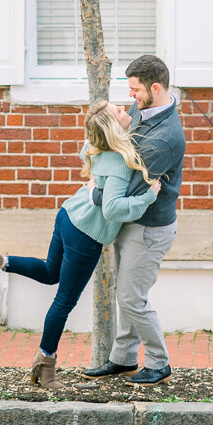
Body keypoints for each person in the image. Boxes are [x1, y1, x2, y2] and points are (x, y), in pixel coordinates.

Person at [0, 100, 160, 391]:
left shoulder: (96, 144)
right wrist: (148, 196)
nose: (123, 108)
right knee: (64, 301)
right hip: (86, 233)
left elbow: (86, 151)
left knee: (50, 272)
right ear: (113, 128)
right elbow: (113, 210)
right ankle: (46, 364)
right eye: (118, 110)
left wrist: (95, 187)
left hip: (67, 215)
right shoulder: (118, 159)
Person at [82, 53, 186, 387]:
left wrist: (95, 192)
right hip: (132, 225)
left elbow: (129, 192)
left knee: (131, 298)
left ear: (155, 87)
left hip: (149, 228)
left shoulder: (164, 138)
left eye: (136, 90)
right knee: (125, 293)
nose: (131, 98)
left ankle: (159, 363)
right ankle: (123, 359)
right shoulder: (144, 109)